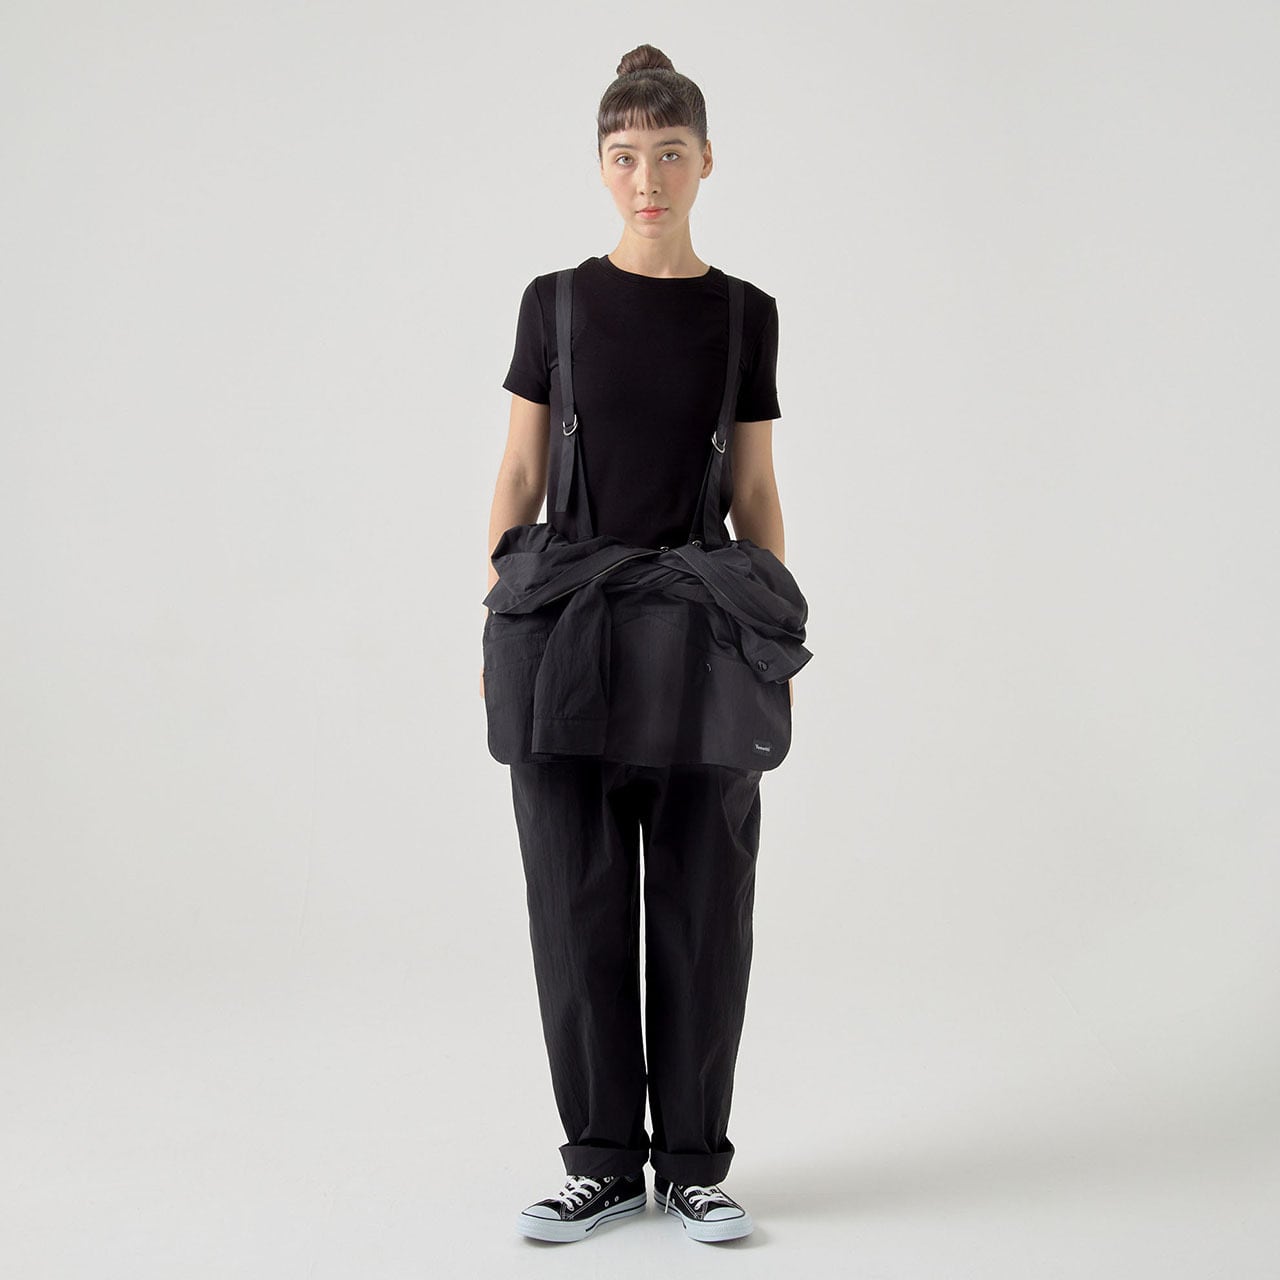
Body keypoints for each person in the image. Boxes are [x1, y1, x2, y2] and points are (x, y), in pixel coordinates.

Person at [481, 44, 798, 1245]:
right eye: (624, 156)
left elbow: (753, 487)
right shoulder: (553, 303)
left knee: (704, 905)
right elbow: (519, 469)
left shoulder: (744, 314)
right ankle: (603, 1163)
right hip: (564, 629)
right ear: (600, 166)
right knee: (575, 901)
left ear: (705, 160)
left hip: (704, 635)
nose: (645, 178)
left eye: (668, 153)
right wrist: (500, 619)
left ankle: (697, 1163)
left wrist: (766, 623)